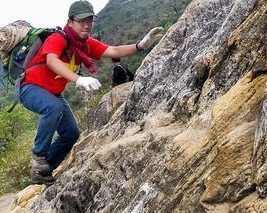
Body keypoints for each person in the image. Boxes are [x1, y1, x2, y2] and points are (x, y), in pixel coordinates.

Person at [18, 0, 163, 184]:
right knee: (53, 108)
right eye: (81, 21)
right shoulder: (58, 38)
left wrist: (139, 46)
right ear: (70, 22)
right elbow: (51, 61)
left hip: (53, 92)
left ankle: (42, 172)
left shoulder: (84, 44)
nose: (86, 25)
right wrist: (78, 79)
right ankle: (39, 157)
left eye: (89, 20)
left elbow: (113, 50)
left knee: (71, 133)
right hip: (30, 87)